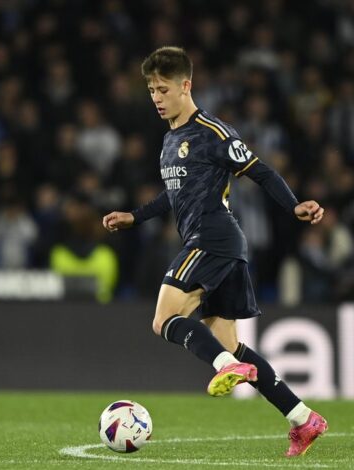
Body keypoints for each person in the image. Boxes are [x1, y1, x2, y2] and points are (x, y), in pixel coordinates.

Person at [101, 47, 328, 457]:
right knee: (231, 344)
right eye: (151, 90)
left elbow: (260, 170)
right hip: (219, 244)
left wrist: (294, 206)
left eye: (163, 89)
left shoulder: (213, 132)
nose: (156, 98)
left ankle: (224, 367)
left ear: (186, 86)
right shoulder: (170, 140)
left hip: (212, 239)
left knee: (164, 319)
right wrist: (135, 217)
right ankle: (302, 418)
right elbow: (174, 195)